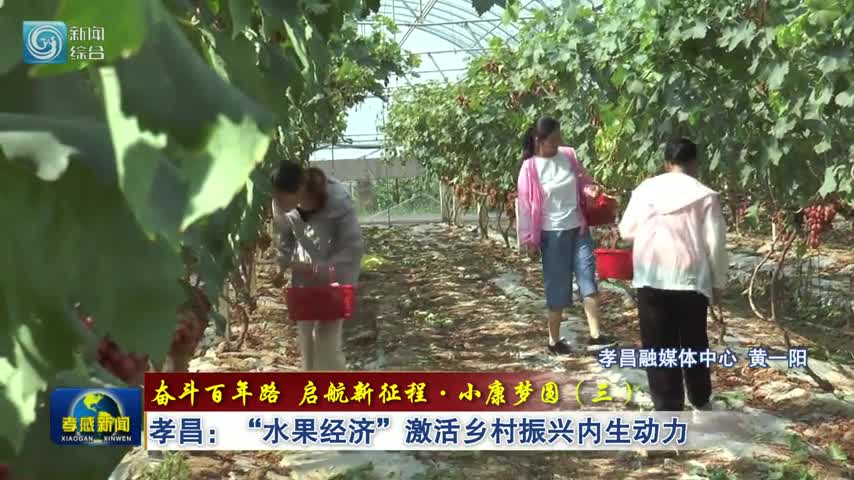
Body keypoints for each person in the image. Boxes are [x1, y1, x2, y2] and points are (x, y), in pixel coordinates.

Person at [618, 138, 728, 411]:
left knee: (658, 345)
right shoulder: (705, 195)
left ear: (667, 163)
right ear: (695, 163)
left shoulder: (646, 190)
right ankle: (700, 398)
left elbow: (626, 231)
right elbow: (715, 243)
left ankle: (667, 408)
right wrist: (718, 283)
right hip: (690, 277)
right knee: (694, 341)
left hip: (651, 275)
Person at [517, 116, 618, 355]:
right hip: (551, 234)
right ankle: (554, 341)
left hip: (578, 228)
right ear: (539, 140)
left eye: (559, 138)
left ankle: (595, 336)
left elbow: (583, 180)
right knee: (558, 287)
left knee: (588, 278)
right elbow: (525, 206)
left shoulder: (569, 155)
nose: (557, 143)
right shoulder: (529, 168)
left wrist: (590, 189)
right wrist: (529, 239)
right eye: (553, 140)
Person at [271, 161, 363, 371]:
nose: (277, 203)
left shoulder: (337, 201)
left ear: (299, 189)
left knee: (326, 341)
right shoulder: (289, 206)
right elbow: (287, 236)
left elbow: (353, 247)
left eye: (281, 198)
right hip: (306, 280)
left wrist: (323, 269)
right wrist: (281, 264)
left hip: (336, 279)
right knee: (306, 340)